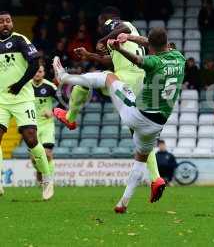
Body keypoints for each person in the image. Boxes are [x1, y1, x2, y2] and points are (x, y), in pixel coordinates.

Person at [53, 27, 186, 213]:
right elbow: (151, 44)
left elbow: (138, 59)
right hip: (157, 126)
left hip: (137, 116)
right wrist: (129, 37)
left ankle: (64, 77)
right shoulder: (179, 58)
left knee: (108, 77)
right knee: (141, 158)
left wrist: (120, 48)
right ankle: (122, 203)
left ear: (152, 48)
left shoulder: (154, 62)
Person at [0, 11, 53, 199]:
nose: (5, 24)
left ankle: (47, 178)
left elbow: (34, 62)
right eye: (1, 22)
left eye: (8, 21)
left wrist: (19, 84)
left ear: (12, 23)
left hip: (22, 97)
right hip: (1, 101)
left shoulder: (19, 40)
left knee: (31, 139)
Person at [30, 65, 57, 183]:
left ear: (44, 73)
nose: (37, 73)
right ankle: (40, 170)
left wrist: (52, 112)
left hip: (47, 125)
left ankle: (48, 181)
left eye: (40, 71)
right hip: (31, 126)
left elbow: (64, 101)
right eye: (36, 71)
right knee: (35, 159)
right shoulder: (26, 86)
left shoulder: (50, 86)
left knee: (47, 153)